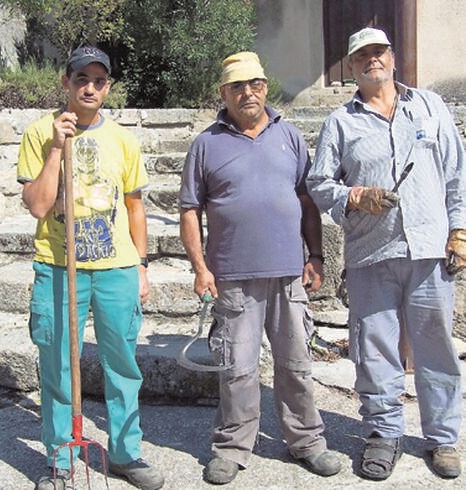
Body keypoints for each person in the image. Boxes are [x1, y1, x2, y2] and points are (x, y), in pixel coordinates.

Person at [307, 27, 466, 481]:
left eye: (379, 52)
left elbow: (456, 173)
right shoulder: (341, 121)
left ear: (393, 59)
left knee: (436, 348)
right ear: (351, 67)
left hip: (430, 251)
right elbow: (319, 185)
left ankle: (442, 439)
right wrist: (356, 196)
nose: (372, 60)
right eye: (362, 56)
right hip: (371, 253)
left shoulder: (430, 107)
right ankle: (384, 434)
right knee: (373, 350)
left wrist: (461, 231)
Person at [179, 51, 342, 485]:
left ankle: (307, 441)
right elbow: (190, 210)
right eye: (237, 86)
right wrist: (200, 267)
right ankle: (232, 447)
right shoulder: (206, 143)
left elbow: (306, 201)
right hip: (232, 276)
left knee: (296, 364)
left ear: (265, 87)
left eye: (254, 84)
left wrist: (316, 255)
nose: (247, 93)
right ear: (223, 93)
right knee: (236, 367)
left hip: (288, 273)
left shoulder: (289, 136)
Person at [17, 46, 164, 490]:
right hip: (59, 267)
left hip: (116, 267)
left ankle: (124, 453)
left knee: (123, 365)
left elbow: (135, 207)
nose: (90, 87)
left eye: (99, 81)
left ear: (108, 87)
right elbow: (38, 205)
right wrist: (58, 148)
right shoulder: (40, 133)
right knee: (59, 365)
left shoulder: (122, 139)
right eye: (82, 78)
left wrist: (140, 266)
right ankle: (61, 458)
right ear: (66, 82)